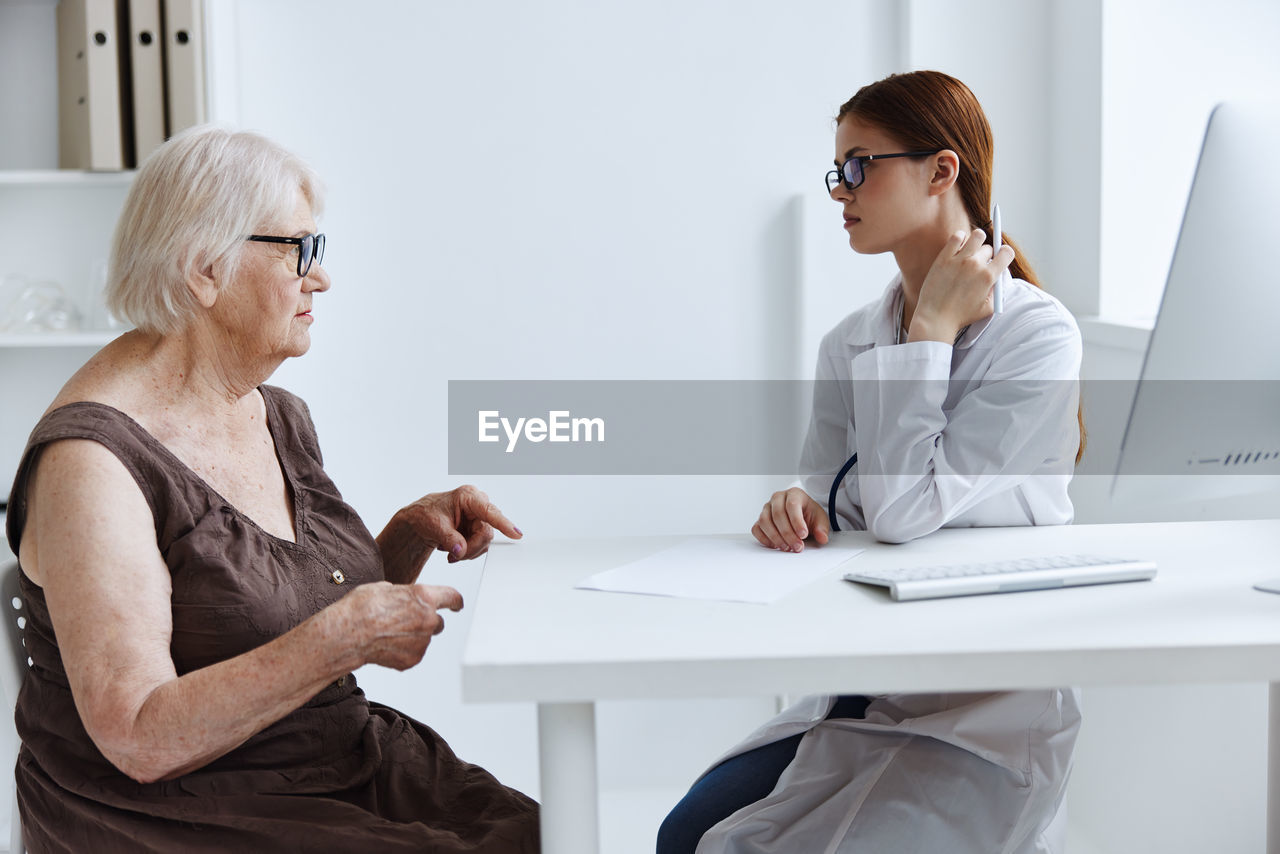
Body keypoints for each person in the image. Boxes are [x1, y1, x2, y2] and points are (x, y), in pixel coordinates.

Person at [4, 126, 539, 853]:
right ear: (204, 270)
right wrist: (344, 638)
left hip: (325, 756)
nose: (322, 279)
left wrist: (410, 534)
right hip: (181, 809)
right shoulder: (90, 464)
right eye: (301, 251)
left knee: (544, 830)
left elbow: (271, 605)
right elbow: (139, 737)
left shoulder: (270, 410)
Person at [658, 70, 1084, 853]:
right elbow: (831, 500)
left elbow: (898, 516)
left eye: (860, 166)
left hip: (979, 709)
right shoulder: (848, 339)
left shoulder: (1039, 339)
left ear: (940, 170)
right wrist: (794, 510)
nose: (840, 190)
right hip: (867, 683)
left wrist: (929, 336)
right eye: (837, 171)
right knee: (686, 836)